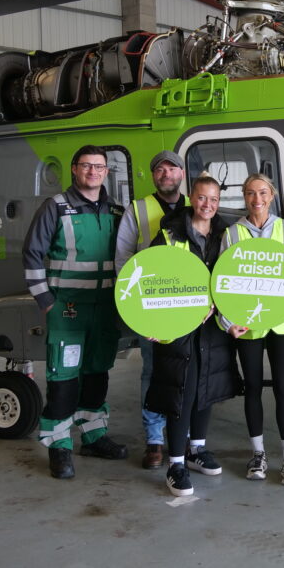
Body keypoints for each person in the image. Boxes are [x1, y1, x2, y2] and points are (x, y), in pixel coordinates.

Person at [23, 145, 127, 479]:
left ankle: (94, 437)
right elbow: (32, 255)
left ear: (106, 172)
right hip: (66, 309)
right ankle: (60, 447)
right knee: (63, 380)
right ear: (74, 169)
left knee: (98, 374)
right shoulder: (55, 208)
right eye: (86, 166)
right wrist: (46, 301)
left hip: (106, 308)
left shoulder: (116, 211)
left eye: (99, 167)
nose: (93, 172)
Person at [145, 175, 240, 497]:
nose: (208, 205)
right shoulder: (169, 234)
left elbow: (235, 278)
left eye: (214, 200)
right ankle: (175, 464)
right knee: (179, 393)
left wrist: (231, 318)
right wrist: (153, 324)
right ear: (191, 198)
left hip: (213, 328)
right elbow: (149, 278)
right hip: (179, 329)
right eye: (202, 198)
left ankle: (196, 449)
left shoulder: (226, 236)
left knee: (205, 387)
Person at [219, 174, 284, 486]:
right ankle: (258, 454)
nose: (257, 199)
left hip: (281, 321)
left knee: (283, 386)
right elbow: (222, 280)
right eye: (251, 193)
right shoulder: (232, 233)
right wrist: (228, 322)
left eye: (263, 193)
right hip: (248, 323)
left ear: (272, 195)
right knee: (253, 387)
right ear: (244, 197)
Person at [113, 150, 188, 471]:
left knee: (187, 372)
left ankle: (183, 435)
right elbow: (122, 257)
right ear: (153, 176)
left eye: (171, 168)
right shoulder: (138, 209)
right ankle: (154, 439)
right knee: (152, 372)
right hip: (152, 306)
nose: (165, 173)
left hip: (189, 304)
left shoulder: (195, 204)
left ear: (182, 174)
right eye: (159, 169)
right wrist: (133, 305)